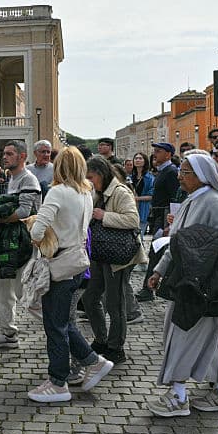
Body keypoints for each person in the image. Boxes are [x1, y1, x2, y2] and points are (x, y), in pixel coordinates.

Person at [146, 154, 218, 417]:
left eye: (186, 172)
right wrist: (159, 270)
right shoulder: (194, 200)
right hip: (191, 281)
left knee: (185, 334)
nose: (180, 176)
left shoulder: (214, 201)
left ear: (202, 176)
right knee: (205, 338)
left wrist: (196, 244)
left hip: (205, 283)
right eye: (181, 171)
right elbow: (178, 241)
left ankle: (178, 395)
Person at [28, 147, 114, 402]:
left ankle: (58, 381)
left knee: (55, 325)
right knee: (62, 321)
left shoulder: (58, 192)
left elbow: (37, 230)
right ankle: (91, 361)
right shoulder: (86, 193)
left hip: (59, 263)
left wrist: (37, 233)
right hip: (77, 261)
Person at [83, 156, 145, 365]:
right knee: (91, 298)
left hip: (118, 256)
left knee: (114, 302)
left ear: (101, 174)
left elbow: (132, 220)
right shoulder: (97, 193)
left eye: (90, 177)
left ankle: (116, 346)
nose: (88, 181)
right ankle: (101, 339)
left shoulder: (119, 192)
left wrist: (103, 216)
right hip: (101, 253)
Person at [0, 140, 42, 349]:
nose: (5, 157)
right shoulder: (12, 179)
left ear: (22, 156)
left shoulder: (28, 179)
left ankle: (60, 329)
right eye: (4, 153)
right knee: (5, 289)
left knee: (24, 292)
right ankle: (8, 333)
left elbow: (25, 212)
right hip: (11, 245)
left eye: (10, 153)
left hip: (24, 245)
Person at [138, 142, 179, 301]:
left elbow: (174, 198)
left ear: (168, 154)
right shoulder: (162, 171)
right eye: (154, 151)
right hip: (157, 216)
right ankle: (149, 288)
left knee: (157, 253)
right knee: (156, 253)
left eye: (159, 151)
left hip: (164, 217)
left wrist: (169, 224)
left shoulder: (170, 172)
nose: (155, 154)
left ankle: (148, 289)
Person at [130, 152, 154, 234]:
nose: (137, 160)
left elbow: (152, 195)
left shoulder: (150, 178)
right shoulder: (130, 177)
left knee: (139, 235)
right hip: (131, 208)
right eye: (136, 158)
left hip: (143, 208)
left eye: (140, 158)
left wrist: (136, 198)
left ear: (145, 161)